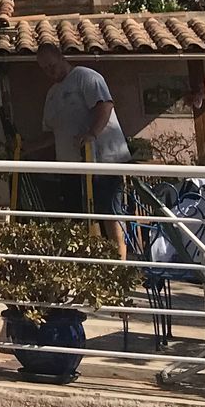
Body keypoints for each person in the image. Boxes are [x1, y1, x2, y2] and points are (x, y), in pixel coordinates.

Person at [35, 39, 130, 258]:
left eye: (52, 65)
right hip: (72, 167)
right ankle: (87, 267)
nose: (50, 71)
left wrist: (92, 134)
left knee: (109, 213)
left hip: (103, 162)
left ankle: (119, 265)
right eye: (45, 69)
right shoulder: (52, 94)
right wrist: (25, 149)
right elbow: (51, 134)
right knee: (76, 216)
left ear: (61, 56)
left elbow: (104, 106)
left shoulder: (86, 77)